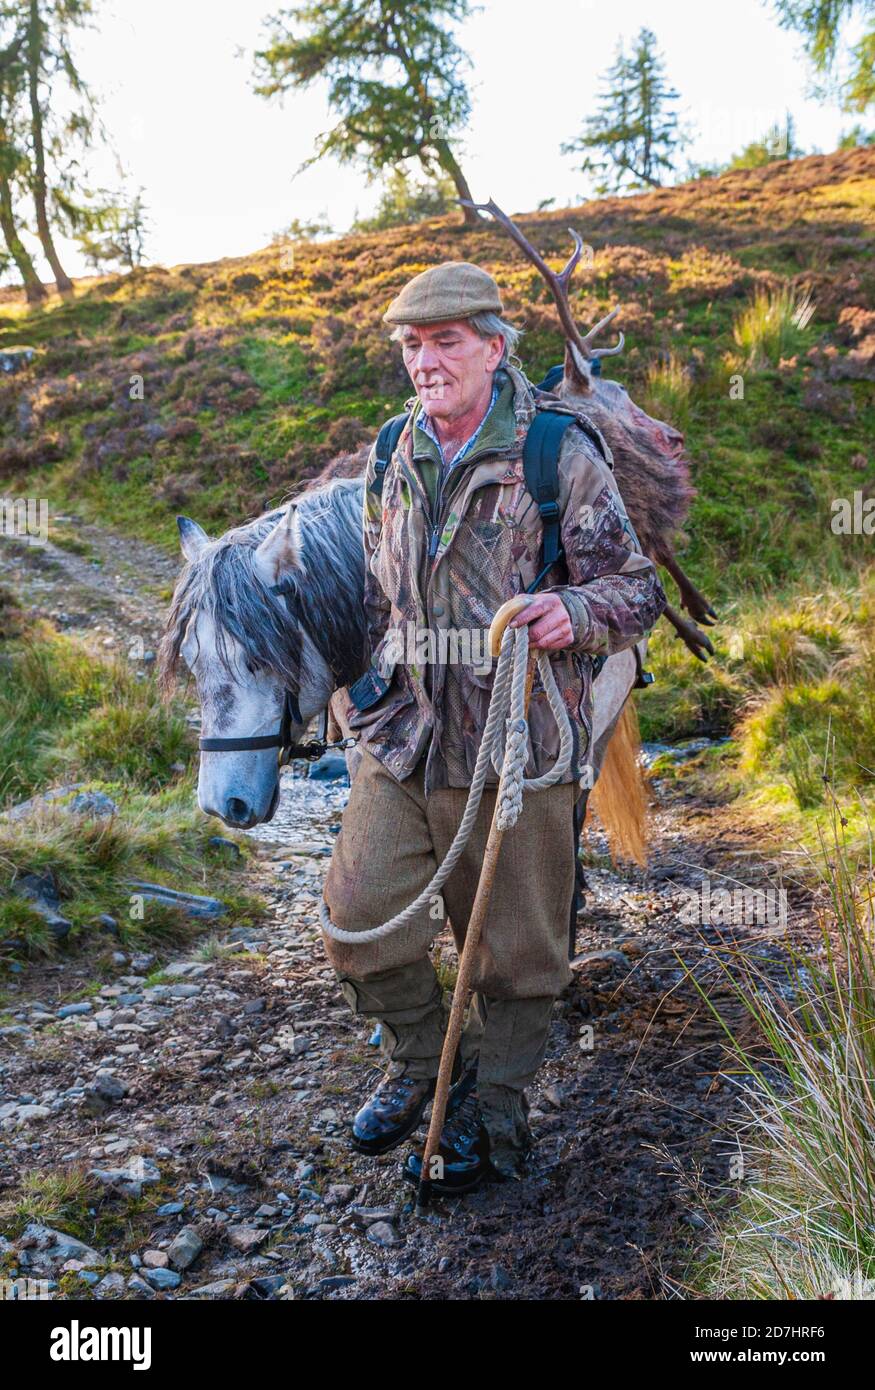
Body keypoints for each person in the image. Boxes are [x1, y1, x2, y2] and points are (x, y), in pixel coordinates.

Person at [321, 260, 666, 1193]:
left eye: (444, 343)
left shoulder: (558, 454)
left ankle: (497, 1109)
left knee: (517, 954)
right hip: (402, 741)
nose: (424, 362)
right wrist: (345, 688)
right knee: (357, 920)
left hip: (514, 744)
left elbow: (636, 590)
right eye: (410, 346)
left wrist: (573, 613)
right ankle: (427, 1060)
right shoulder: (393, 447)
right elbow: (373, 587)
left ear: (493, 347)